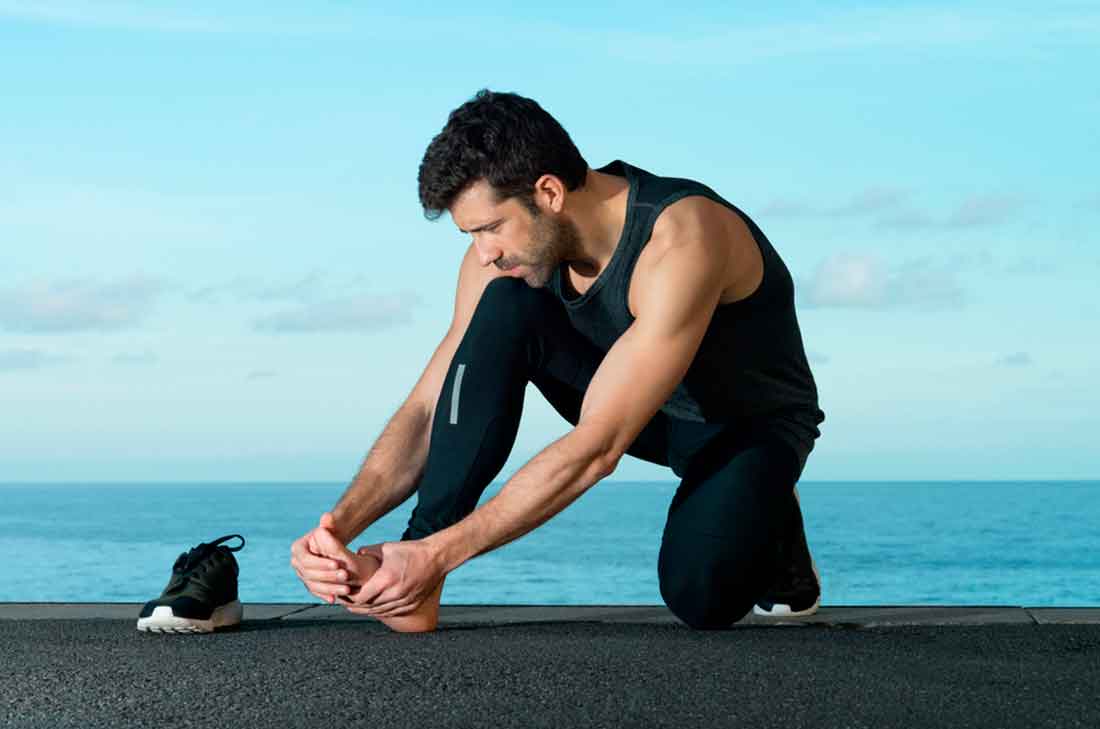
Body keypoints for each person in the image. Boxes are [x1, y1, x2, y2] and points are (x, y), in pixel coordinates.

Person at [290, 89, 825, 632]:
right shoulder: (504, 260)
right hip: (648, 414)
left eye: (490, 227)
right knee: (504, 302)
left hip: (744, 428)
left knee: (700, 599)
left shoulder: (682, 238)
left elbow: (598, 446)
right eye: (470, 233)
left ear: (548, 192)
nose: (483, 252)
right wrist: (337, 529)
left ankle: (772, 520)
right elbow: (433, 406)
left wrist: (443, 553)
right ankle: (413, 574)